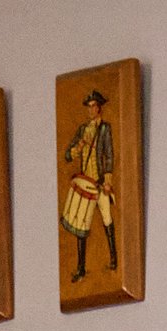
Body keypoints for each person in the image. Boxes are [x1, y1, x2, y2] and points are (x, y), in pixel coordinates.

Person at [61, 87, 116, 284]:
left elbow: (109, 155)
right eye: (89, 107)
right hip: (86, 183)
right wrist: (80, 146)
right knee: (80, 224)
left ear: (99, 108)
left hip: (100, 184)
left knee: (107, 220)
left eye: (94, 106)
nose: (91, 110)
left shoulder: (104, 129)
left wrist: (108, 181)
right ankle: (81, 268)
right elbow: (68, 155)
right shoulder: (82, 130)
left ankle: (114, 259)